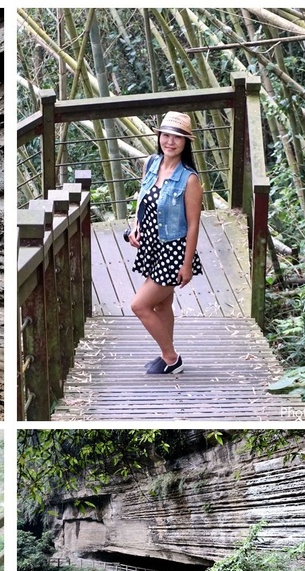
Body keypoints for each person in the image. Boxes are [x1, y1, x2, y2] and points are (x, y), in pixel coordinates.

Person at [127, 111, 204, 375]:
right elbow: (144, 201)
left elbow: (193, 224)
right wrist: (135, 228)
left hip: (173, 251)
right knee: (162, 304)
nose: (170, 141)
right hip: (151, 246)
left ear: (186, 143)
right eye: (166, 135)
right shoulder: (151, 163)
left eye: (177, 137)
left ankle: (172, 358)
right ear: (159, 137)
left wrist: (187, 265)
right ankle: (165, 355)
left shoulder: (189, 179)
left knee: (140, 305)